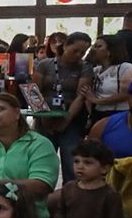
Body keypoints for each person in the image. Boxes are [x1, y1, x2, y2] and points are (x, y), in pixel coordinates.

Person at [34, 32, 93, 180]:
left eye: (83, 52)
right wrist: (43, 116)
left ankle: (70, 196)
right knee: (41, 161)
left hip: (72, 120)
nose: (79, 55)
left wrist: (66, 121)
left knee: (70, 162)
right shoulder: (45, 64)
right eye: (75, 50)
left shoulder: (85, 67)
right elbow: (35, 92)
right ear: (65, 45)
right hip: (44, 119)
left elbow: (81, 96)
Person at [79, 34, 132, 128]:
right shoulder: (95, 70)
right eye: (93, 46)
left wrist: (97, 100)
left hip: (119, 114)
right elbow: (86, 94)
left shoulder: (125, 68)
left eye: (98, 46)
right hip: (98, 114)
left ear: (110, 51)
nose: (93, 49)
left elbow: (128, 93)